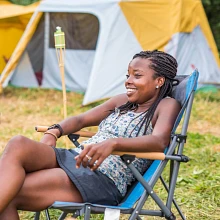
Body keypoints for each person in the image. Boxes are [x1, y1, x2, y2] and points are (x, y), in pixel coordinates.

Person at [0, 50, 181, 220]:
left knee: (10, 191)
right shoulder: (122, 101)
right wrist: (53, 131)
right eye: (128, 75)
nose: (128, 81)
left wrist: (114, 143)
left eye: (137, 75)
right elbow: (80, 120)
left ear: (159, 81)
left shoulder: (166, 105)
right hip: (78, 158)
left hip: (102, 178)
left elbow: (159, 141)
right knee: (19, 144)